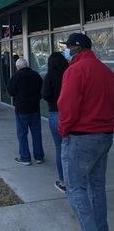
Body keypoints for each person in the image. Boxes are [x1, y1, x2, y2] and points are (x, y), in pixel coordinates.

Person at [58, 33, 114, 231]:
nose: (66, 50)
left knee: (76, 188)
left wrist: (63, 130)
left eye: (68, 46)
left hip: (82, 136)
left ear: (78, 48)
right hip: (105, 135)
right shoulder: (106, 71)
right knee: (96, 186)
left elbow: (67, 106)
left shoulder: (76, 70)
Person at [7, 58, 44, 165]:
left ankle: (25, 157)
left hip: (22, 109)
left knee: (22, 134)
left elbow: (11, 91)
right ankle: (39, 156)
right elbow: (41, 89)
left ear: (18, 67)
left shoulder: (16, 76)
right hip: (35, 108)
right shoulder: (36, 75)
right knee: (36, 133)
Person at [42, 52, 69, 193]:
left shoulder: (49, 77)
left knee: (60, 148)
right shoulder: (70, 74)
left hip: (55, 113)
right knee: (72, 147)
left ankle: (64, 181)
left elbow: (45, 95)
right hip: (72, 113)